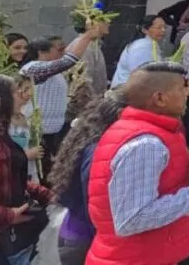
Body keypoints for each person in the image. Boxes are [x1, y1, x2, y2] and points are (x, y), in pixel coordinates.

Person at [87, 62, 189, 264]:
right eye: (181, 88)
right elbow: (133, 218)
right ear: (159, 98)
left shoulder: (150, 133)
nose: (188, 93)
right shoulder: (146, 144)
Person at [0, 75, 55, 265]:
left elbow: (10, 176)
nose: (22, 96)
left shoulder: (0, 131)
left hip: (4, 234)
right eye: (16, 91)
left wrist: (46, 195)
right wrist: (7, 216)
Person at [48, 94, 126, 265]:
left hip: (74, 232)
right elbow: (91, 202)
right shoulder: (97, 151)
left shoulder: (86, 138)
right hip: (82, 240)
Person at [21, 24, 105, 181]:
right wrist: (87, 36)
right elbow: (68, 61)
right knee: (42, 172)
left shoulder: (54, 70)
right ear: (41, 52)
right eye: (59, 49)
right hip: (38, 130)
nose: (64, 52)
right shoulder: (33, 69)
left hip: (55, 129)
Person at [8, 76, 42, 181]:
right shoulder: (1, 121)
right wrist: (26, 156)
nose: (29, 93)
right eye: (25, 89)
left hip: (27, 174)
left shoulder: (27, 117)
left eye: (30, 89)